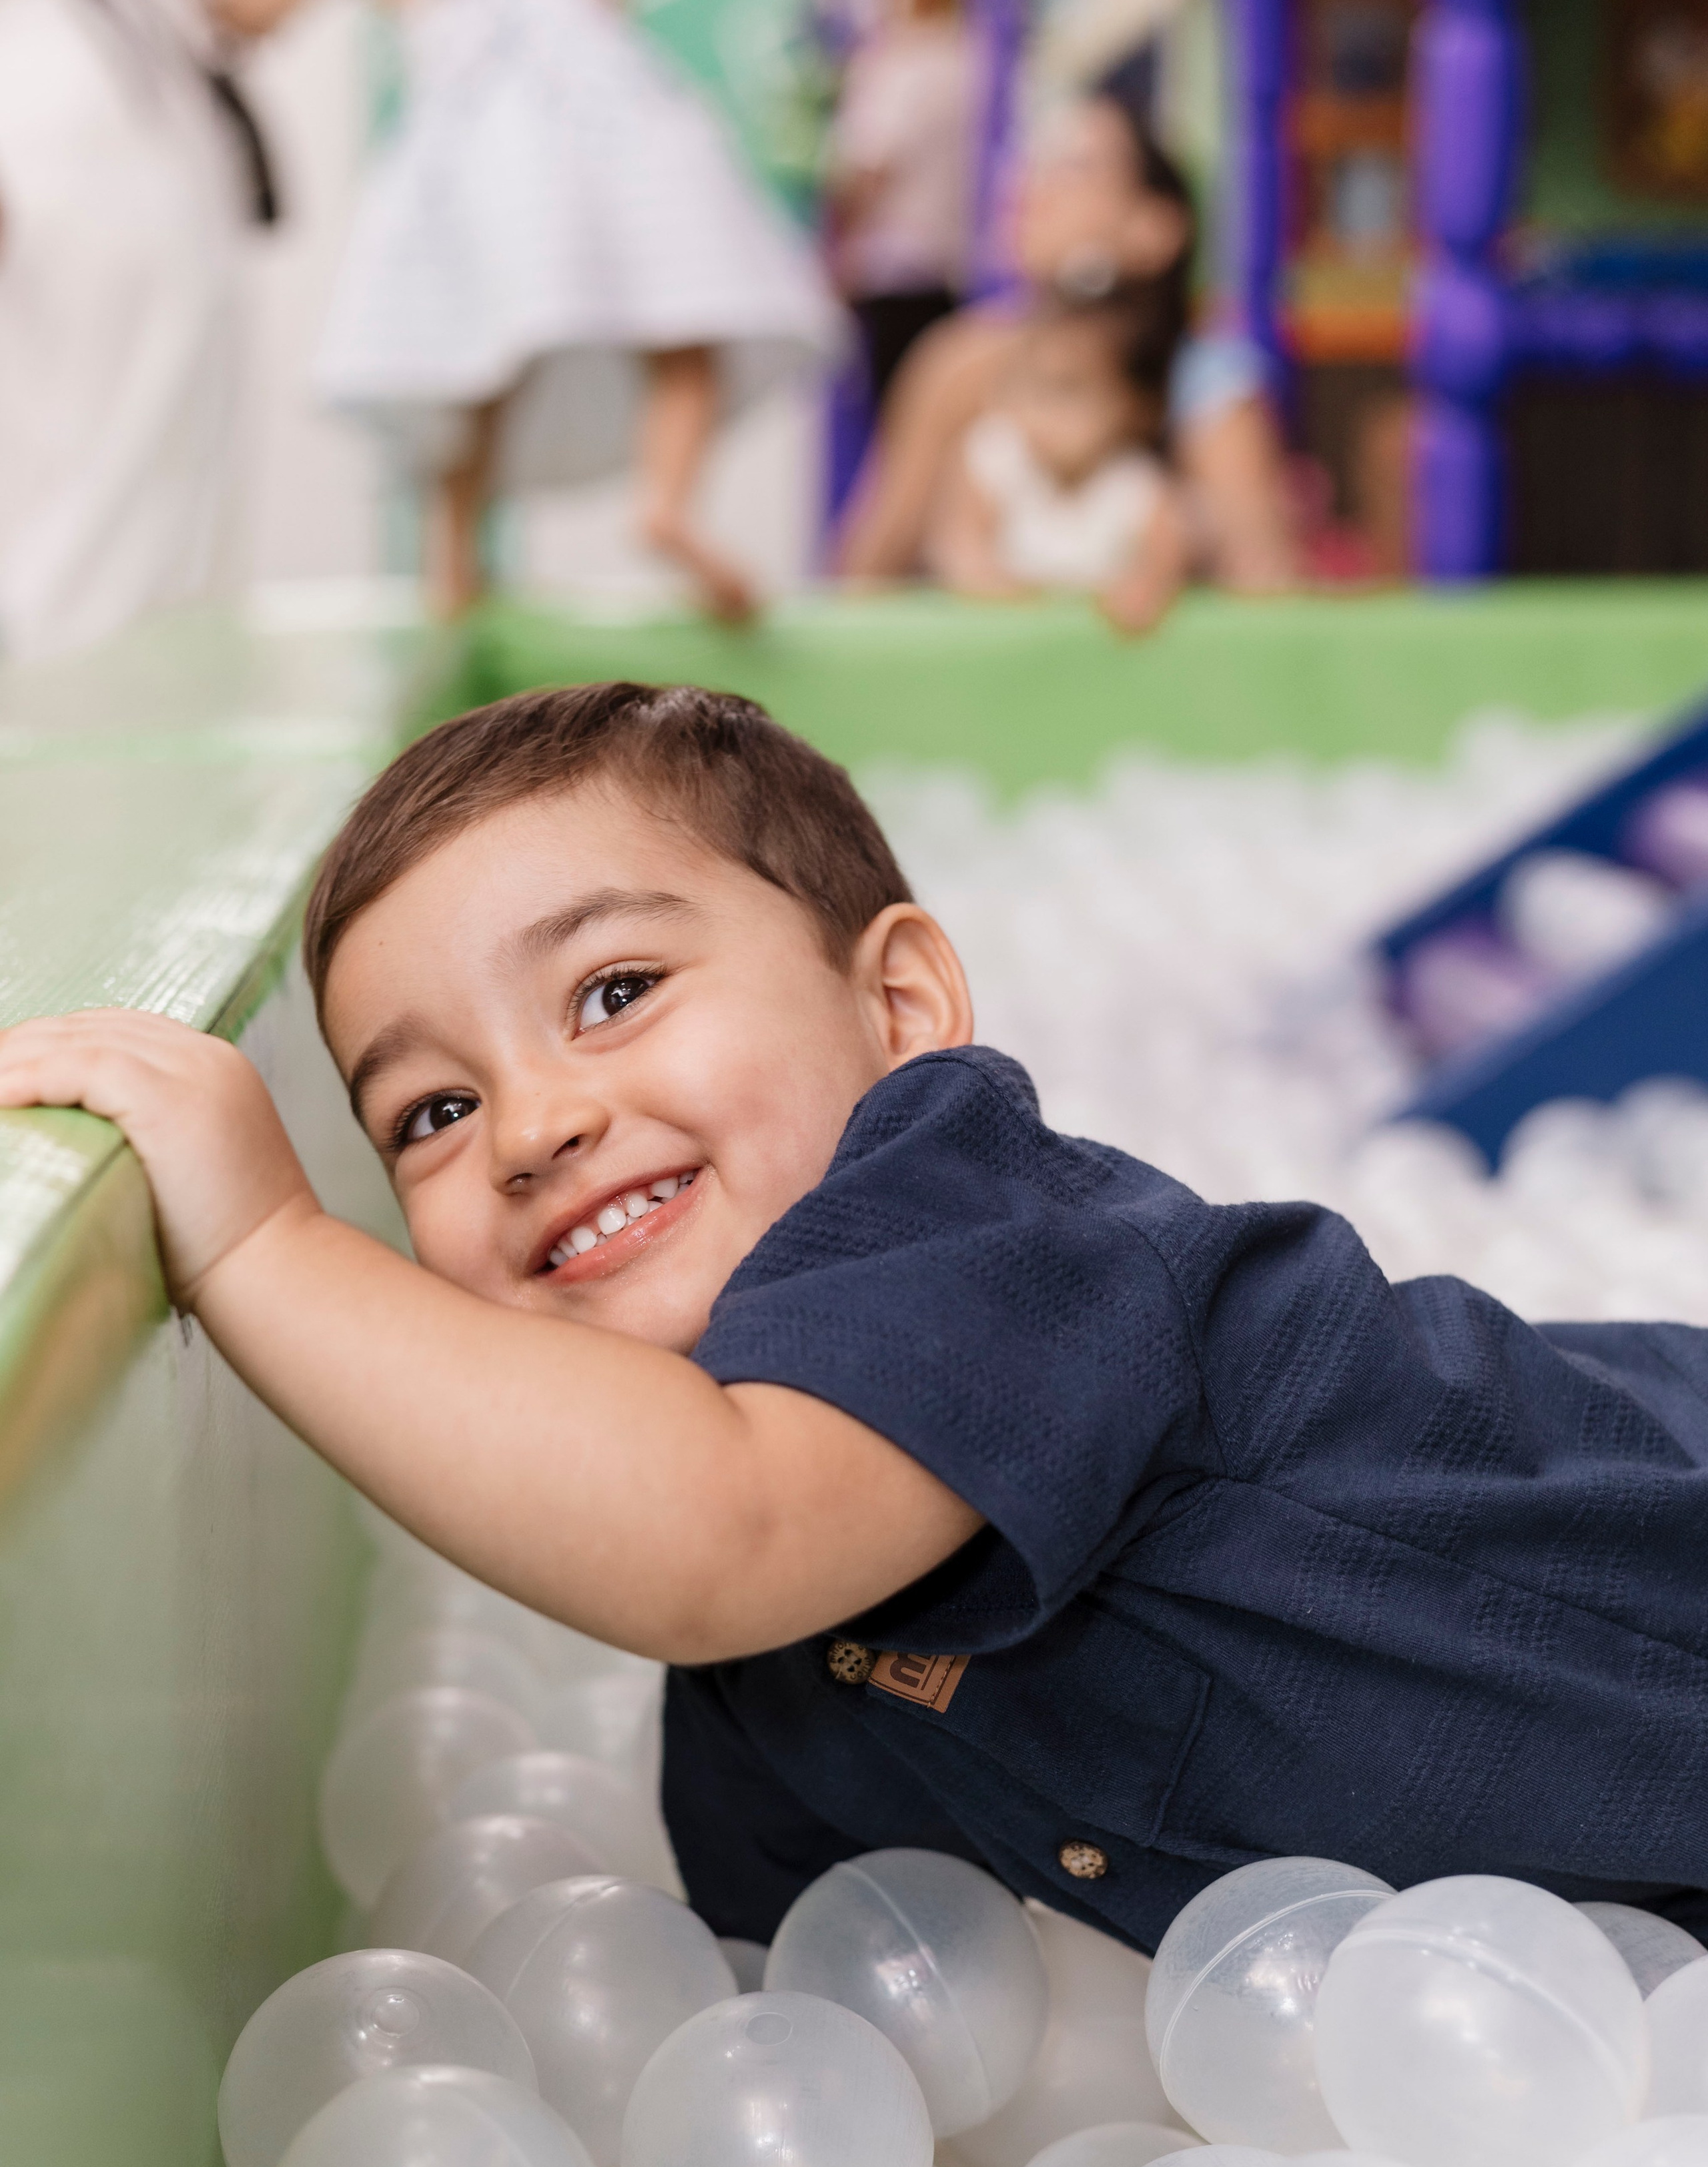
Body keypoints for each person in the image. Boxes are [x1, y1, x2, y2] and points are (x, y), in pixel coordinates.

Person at [8, 681, 1708, 1958]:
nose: (531, 1125)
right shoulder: (756, 1679)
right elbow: (834, 1996)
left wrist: (262, 1239)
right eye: (430, 1115)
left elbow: (711, 1520)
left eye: (612, 992)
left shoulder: (980, 1225)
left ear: (898, 1006)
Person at [213, 0, 841, 622]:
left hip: (493, 129)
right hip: (609, 115)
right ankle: (666, 506)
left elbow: (261, 12)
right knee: (683, 322)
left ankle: (453, 571)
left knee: (473, 354)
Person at [0, 0, 565, 660]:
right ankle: (86, 732)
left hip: (62, 60)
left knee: (76, 442)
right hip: (89, 85)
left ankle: (87, 720)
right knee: (135, 458)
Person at [837, 93, 1300, 597]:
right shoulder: (960, 363)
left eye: (1074, 168)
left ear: (1156, 229)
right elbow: (865, 574)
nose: (1031, 185)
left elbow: (1265, 577)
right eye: (1032, 162)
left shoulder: (1208, 385)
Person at [924, 288, 1186, 634]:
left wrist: (1146, 583)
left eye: (1068, 392)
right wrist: (980, 576)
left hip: (1092, 659)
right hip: (1004, 646)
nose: (1043, 413)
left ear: (1130, 408)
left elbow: (1167, 550)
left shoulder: (1133, 480)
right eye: (1030, 387)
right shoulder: (995, 455)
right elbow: (957, 539)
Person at [826, 0, 979, 420]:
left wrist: (837, 257)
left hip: (897, 274)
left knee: (898, 425)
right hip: (951, 269)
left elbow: (870, 168)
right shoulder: (971, 59)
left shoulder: (900, 64)